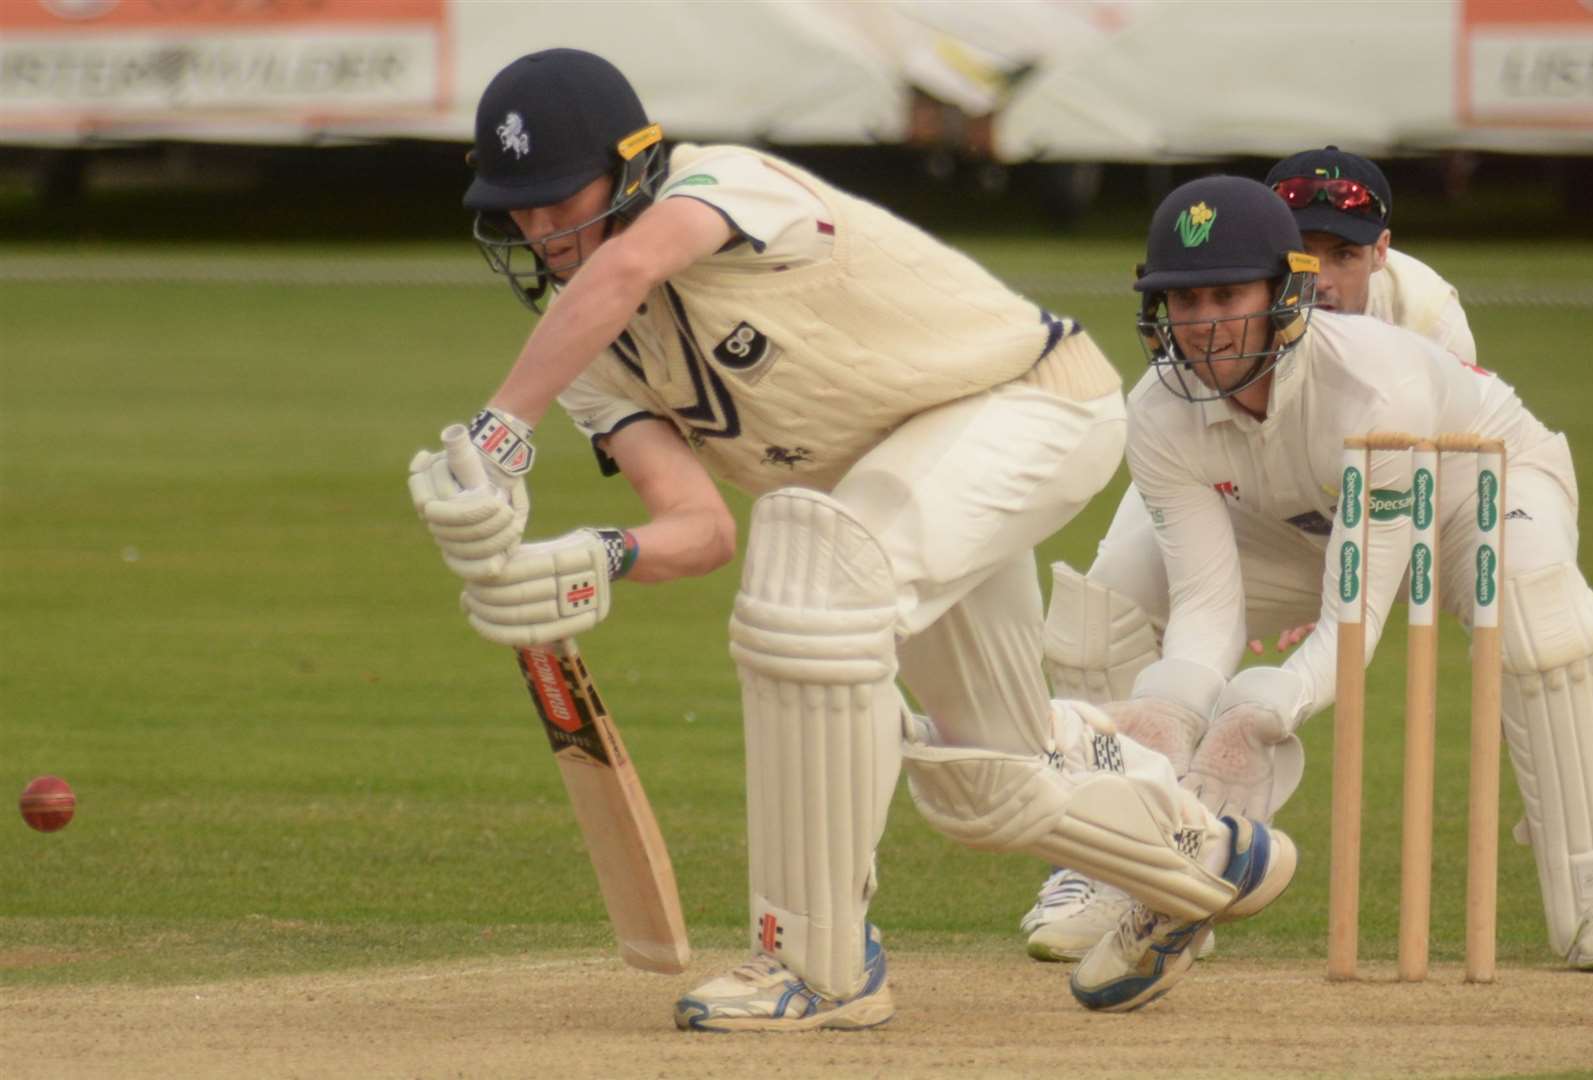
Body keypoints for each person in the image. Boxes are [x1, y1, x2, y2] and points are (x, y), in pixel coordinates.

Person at [405, 48, 1297, 1030]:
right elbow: (699, 531)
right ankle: (1202, 858)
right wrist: (589, 558)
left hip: (1023, 403)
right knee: (983, 782)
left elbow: (628, 266)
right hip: (900, 479)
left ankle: (818, 964)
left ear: (633, 167)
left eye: (556, 197)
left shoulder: (724, 185)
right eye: (518, 210)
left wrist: (495, 438)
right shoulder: (592, 361)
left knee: (814, 585)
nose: (542, 230)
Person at [1023, 153, 1593, 964]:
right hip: (1288, 508)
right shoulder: (1159, 407)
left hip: (1466, 488)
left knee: (1539, 626)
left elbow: (1357, 610)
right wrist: (1174, 712)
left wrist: (1271, 702)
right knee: (1102, 618)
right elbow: (1206, 605)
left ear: (1287, 291)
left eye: (1228, 295)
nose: (1205, 325)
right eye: (1186, 299)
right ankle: (1125, 878)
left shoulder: (1385, 371)